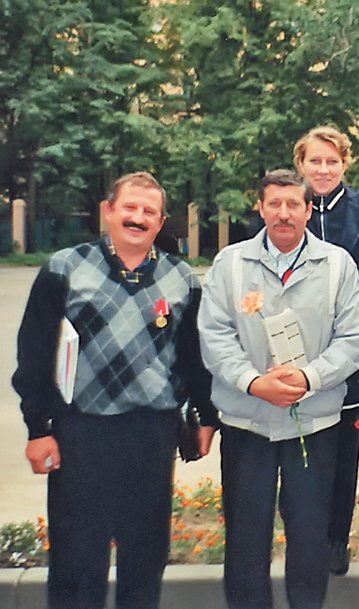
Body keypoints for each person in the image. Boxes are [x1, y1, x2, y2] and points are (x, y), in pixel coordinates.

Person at [12, 172, 217, 609]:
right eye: (129, 208)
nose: (137, 218)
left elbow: (192, 358)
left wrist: (204, 415)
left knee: (145, 558)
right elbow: (33, 355)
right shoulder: (64, 269)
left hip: (151, 433)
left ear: (160, 223)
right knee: (76, 559)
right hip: (81, 432)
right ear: (108, 211)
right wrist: (37, 427)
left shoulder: (182, 279)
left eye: (148, 212)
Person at [197, 169, 359, 609]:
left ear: (309, 210)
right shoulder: (230, 263)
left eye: (294, 204)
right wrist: (253, 383)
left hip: (314, 423)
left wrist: (310, 379)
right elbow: (214, 336)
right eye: (274, 204)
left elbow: (352, 339)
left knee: (310, 537)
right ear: (261, 208)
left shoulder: (337, 265)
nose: (284, 213)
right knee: (245, 537)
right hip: (246, 420)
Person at [293, 125, 359, 575]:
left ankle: (336, 540)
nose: (323, 169)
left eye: (332, 161)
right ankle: (305, 541)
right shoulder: (289, 206)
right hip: (293, 349)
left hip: (351, 348)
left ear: (345, 163)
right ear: (301, 165)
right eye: (315, 161)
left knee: (344, 451)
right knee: (300, 451)